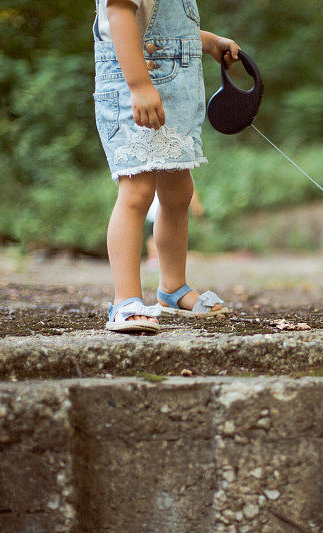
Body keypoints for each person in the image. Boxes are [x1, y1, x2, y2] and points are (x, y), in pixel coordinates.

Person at [93, 0, 235, 333]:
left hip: (176, 94)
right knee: (137, 190)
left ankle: (172, 288)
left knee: (178, 190)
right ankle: (125, 298)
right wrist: (139, 86)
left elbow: (169, 30)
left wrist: (210, 42)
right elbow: (120, 15)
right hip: (133, 85)